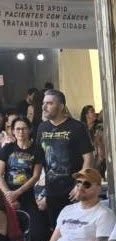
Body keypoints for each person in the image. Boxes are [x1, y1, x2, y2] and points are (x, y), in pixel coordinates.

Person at [34, 87, 93, 227]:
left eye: (49, 103)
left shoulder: (77, 127)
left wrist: (80, 184)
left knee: (75, 229)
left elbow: (89, 158)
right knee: (56, 229)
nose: (44, 107)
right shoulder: (42, 128)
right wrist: (40, 191)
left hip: (73, 190)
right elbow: (39, 161)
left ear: (61, 107)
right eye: (43, 103)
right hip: (51, 190)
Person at [0, 113, 42, 234]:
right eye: (17, 129)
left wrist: (17, 193)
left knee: (36, 230)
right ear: (13, 131)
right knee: (7, 230)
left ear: (30, 130)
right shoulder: (7, 148)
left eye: (24, 128)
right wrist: (8, 195)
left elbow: (36, 176)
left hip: (27, 194)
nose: (20, 132)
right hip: (7, 194)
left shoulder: (37, 150)